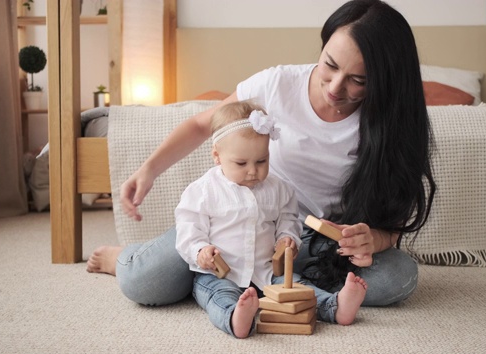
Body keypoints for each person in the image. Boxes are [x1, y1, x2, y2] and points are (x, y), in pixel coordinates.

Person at [87, 0, 435, 310]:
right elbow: (202, 125)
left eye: (357, 80)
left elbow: (392, 223)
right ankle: (133, 258)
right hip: (235, 224)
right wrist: (149, 169)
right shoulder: (276, 85)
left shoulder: (395, 123)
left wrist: (372, 239)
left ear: (384, 80)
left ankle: (227, 283)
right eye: (330, 64)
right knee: (144, 282)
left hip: (314, 244)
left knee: (397, 277)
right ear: (324, 43)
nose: (334, 88)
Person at [175, 100, 367, 338]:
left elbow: (288, 219)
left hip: (266, 272)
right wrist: (200, 251)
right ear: (217, 156)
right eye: (241, 163)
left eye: (262, 161)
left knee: (298, 288)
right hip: (219, 274)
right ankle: (236, 317)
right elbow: (188, 230)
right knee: (217, 296)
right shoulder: (202, 191)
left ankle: (335, 306)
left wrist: (287, 238)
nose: (253, 171)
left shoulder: (278, 188)